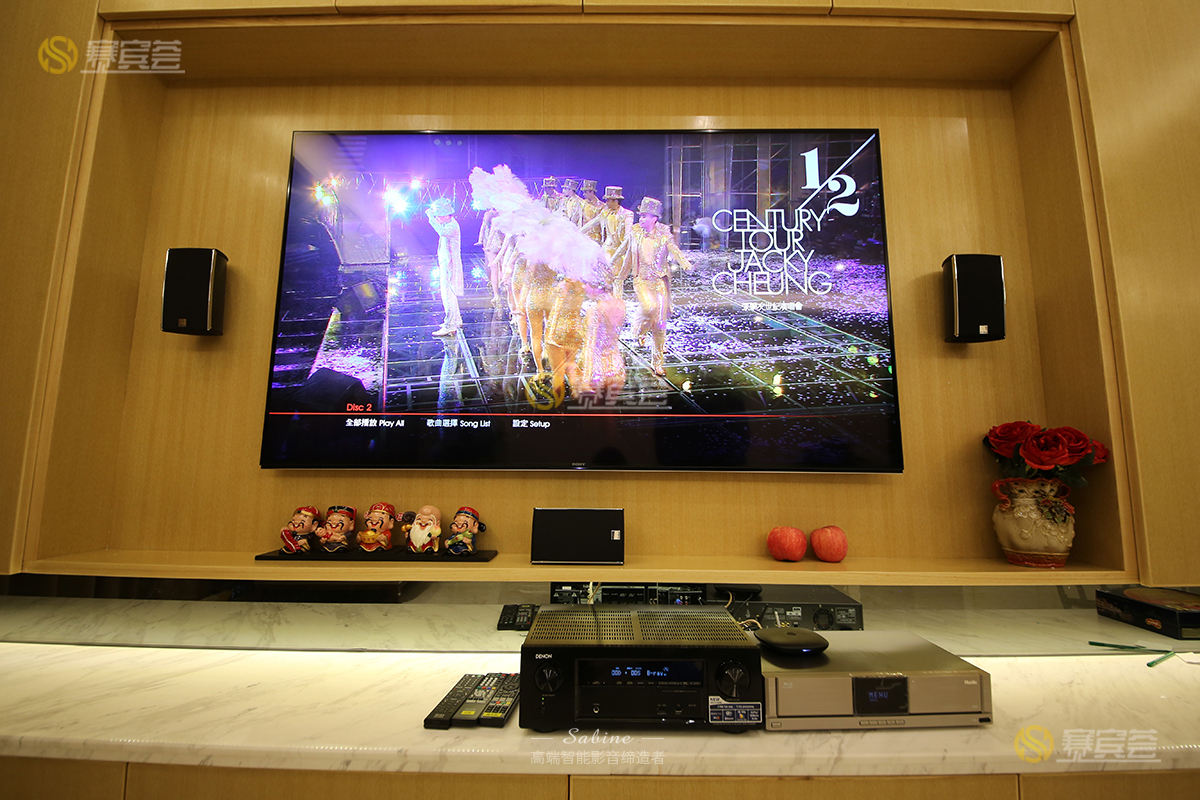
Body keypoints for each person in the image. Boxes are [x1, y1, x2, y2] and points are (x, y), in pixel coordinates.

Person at [612, 196, 693, 376]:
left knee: (660, 322)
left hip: (659, 281)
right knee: (650, 307)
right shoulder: (635, 233)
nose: (641, 219)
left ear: (654, 218)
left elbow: (675, 251)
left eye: (644, 216)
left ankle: (658, 362)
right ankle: (639, 330)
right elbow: (626, 252)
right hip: (641, 280)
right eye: (640, 216)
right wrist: (614, 268)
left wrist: (686, 264)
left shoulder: (664, 235)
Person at [581, 186, 634, 296]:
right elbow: (592, 223)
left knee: (617, 278)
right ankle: (607, 302)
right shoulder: (606, 212)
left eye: (608, 200)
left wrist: (616, 256)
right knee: (605, 277)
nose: (606, 202)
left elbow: (627, 238)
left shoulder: (627, 214)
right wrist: (577, 232)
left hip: (620, 250)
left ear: (615, 201)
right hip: (608, 248)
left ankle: (617, 302)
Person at [425, 197, 464, 337]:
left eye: (439, 216)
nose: (438, 218)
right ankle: (456, 320)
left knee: (448, 295)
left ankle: (450, 325)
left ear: (447, 215)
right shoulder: (448, 224)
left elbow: (441, 232)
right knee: (448, 294)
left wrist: (431, 218)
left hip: (450, 265)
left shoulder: (451, 226)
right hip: (447, 264)